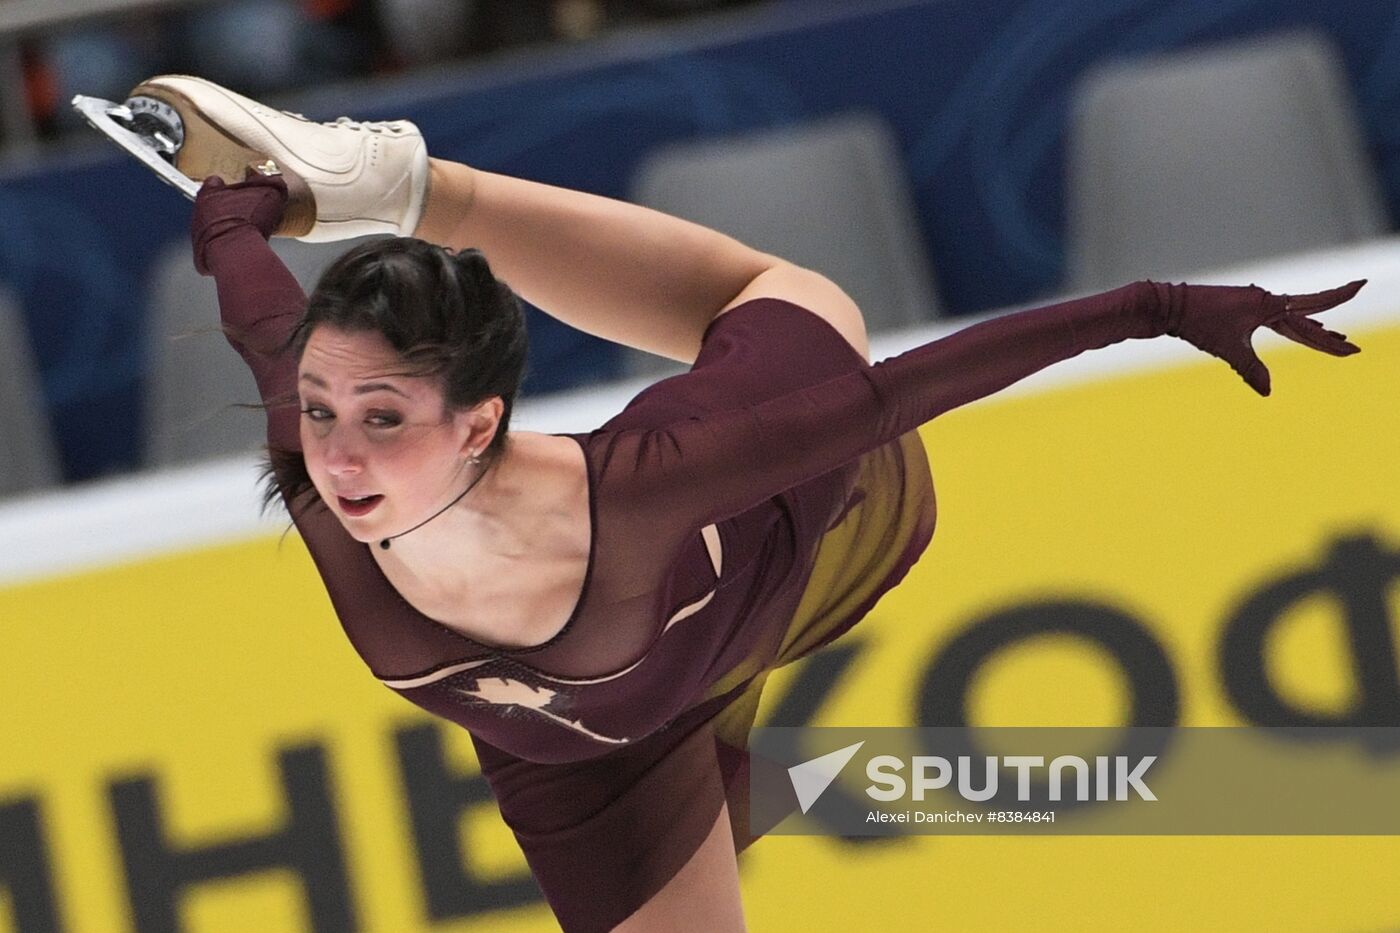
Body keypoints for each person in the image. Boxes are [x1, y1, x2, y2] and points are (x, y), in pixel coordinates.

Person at [134, 74, 1363, 932]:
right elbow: (252, 304)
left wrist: (1154, 305)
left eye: (382, 421)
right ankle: (349, 185)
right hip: (587, 764)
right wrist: (235, 215)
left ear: (480, 424)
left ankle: (404, 180)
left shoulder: (654, 491)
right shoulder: (313, 441)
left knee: (783, 297)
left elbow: (895, 398)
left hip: (763, 520)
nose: (336, 458)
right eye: (322, 415)